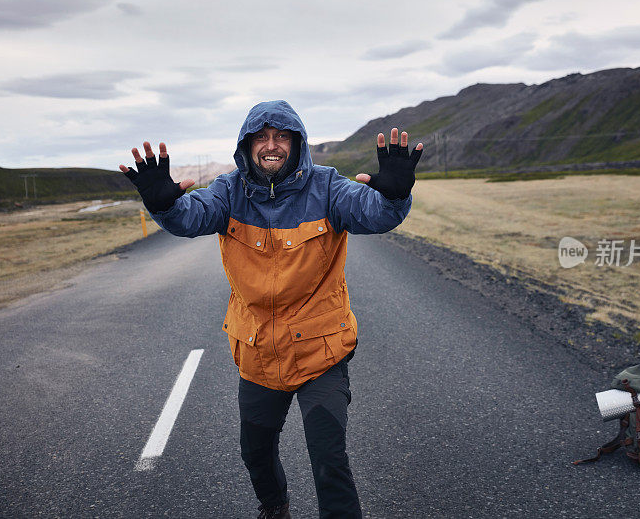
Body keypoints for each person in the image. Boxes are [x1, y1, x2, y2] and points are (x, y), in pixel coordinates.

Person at [120, 100, 423, 519]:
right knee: (256, 455)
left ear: (297, 143)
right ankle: (275, 504)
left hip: (321, 351)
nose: (271, 145)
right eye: (260, 137)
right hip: (259, 351)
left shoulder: (329, 188)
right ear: (246, 147)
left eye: (281, 136)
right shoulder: (229, 192)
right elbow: (192, 217)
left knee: (329, 462)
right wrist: (165, 205)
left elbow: (373, 212)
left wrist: (394, 197)